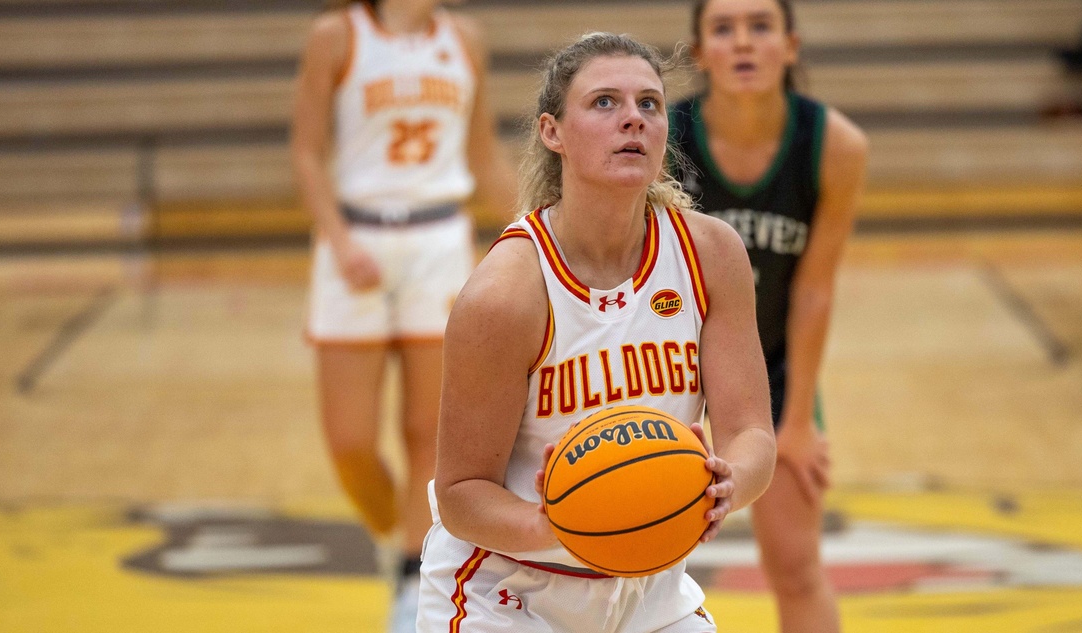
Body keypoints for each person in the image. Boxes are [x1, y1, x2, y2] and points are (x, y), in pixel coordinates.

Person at [419, 32, 777, 632]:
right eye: (604, 102)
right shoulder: (506, 293)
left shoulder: (711, 255)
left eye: (649, 104)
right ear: (552, 132)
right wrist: (553, 524)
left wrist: (728, 483)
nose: (632, 119)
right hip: (506, 591)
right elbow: (461, 492)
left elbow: (752, 434)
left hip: (650, 591)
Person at [289, 0, 513, 629]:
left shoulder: (465, 38)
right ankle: (394, 533)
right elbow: (306, 152)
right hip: (355, 240)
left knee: (427, 433)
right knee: (350, 443)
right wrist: (338, 241)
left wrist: (542, 233)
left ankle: (414, 573)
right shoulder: (337, 36)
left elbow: (483, 156)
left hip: (438, 242)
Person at [670, 1, 869, 631]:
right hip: (668, 365)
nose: (742, 42)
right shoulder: (661, 140)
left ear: (791, 45)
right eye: (723, 29)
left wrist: (799, 420)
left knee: (795, 563)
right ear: (699, 53)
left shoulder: (835, 144)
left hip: (771, 366)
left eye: (760, 26)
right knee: (627, 559)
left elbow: (814, 290)